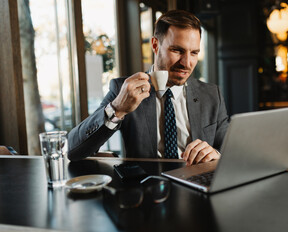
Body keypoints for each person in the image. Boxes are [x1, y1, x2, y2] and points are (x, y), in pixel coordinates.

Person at [67, 10, 229, 165]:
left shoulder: (212, 94)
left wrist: (217, 154)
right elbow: (74, 150)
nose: (186, 63)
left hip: (197, 186)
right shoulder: (123, 90)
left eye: (194, 53)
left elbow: (229, 149)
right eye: (177, 50)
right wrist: (117, 109)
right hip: (146, 188)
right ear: (155, 45)